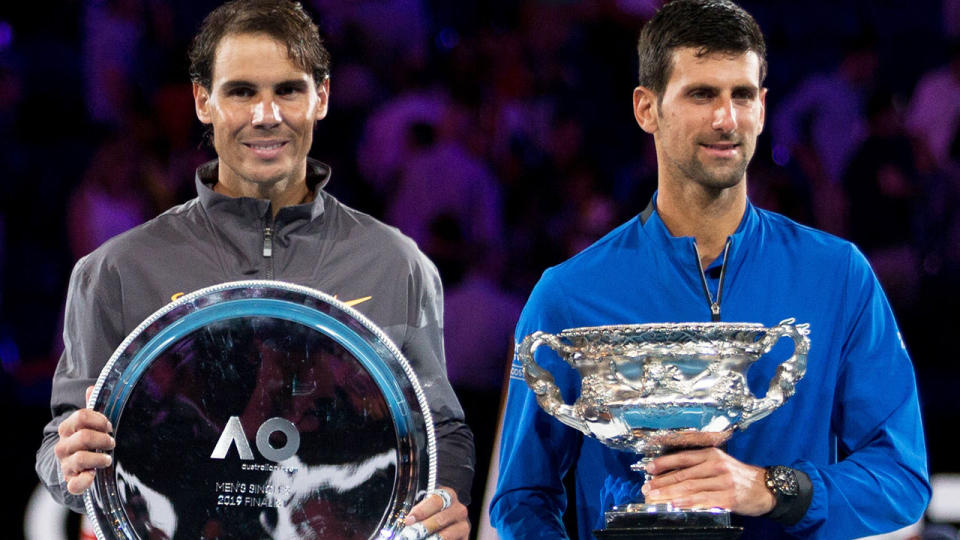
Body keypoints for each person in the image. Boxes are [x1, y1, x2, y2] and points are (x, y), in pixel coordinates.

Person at [489, 1, 930, 539]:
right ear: (646, 109)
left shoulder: (838, 275)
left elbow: (901, 477)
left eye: (741, 95)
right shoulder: (568, 293)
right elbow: (520, 500)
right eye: (701, 94)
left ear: (763, 108)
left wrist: (768, 489)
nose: (726, 119)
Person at [35, 1, 473, 539]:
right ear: (203, 100)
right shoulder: (116, 271)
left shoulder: (396, 263)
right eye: (241, 91)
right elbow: (62, 439)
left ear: (323, 97)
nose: (266, 115)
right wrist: (68, 463)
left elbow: (441, 427)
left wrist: (445, 497)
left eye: (288, 89)